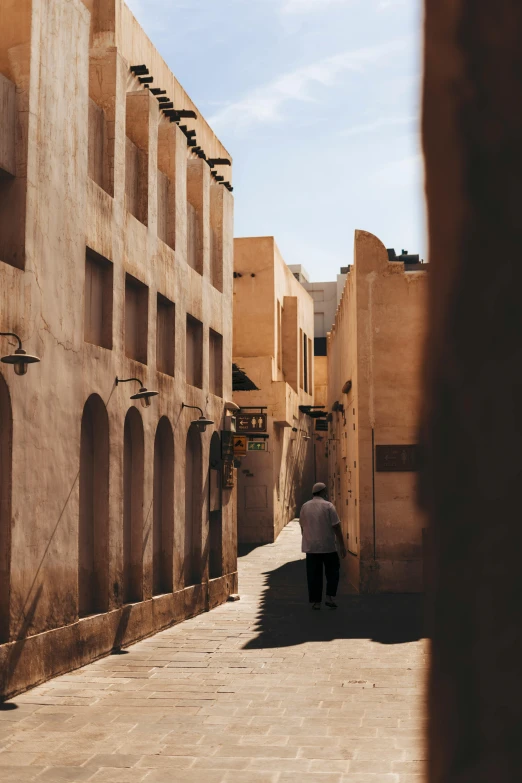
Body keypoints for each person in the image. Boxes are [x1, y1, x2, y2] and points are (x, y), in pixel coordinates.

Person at [299, 482, 347, 610]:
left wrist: (307, 539)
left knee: (314, 575)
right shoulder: (328, 506)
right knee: (333, 572)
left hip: (311, 547)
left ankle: (316, 602)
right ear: (323, 492)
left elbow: (302, 526)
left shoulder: (305, 506)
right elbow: (336, 526)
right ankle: (329, 597)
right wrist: (342, 544)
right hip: (328, 546)